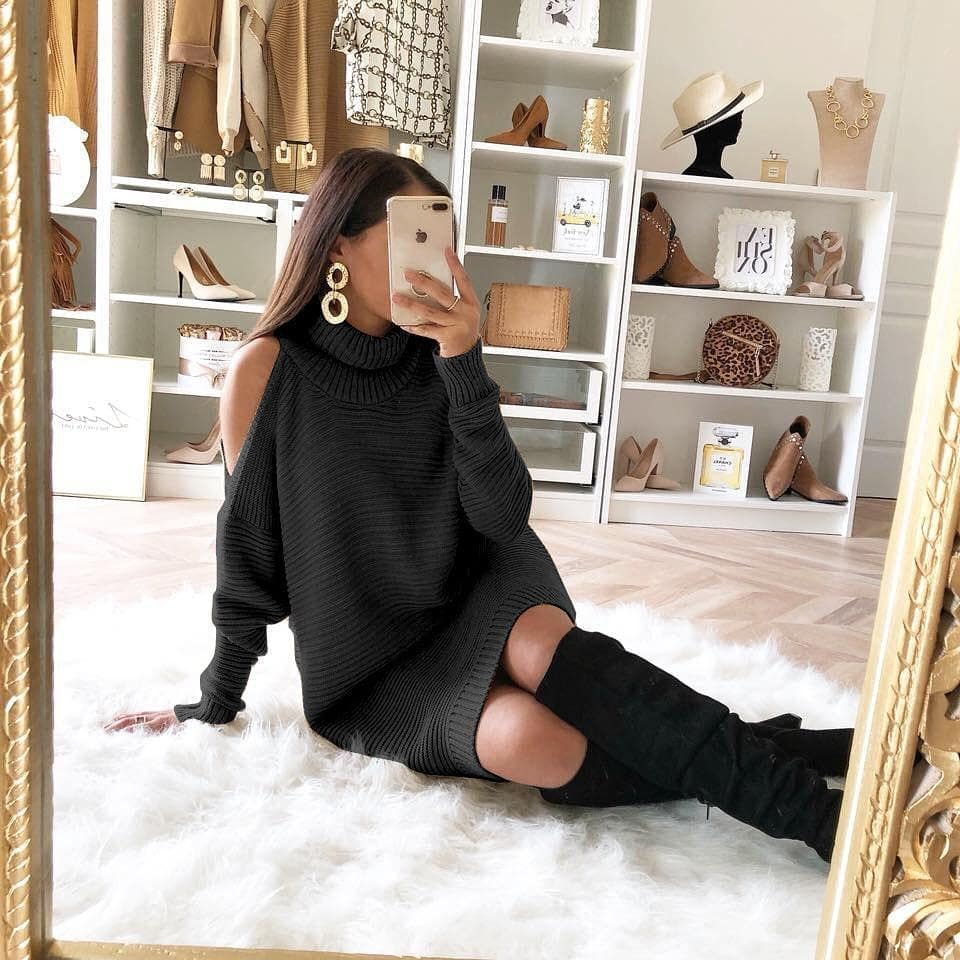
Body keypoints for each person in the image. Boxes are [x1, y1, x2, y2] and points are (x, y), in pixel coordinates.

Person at [105, 146, 853, 864]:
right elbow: (248, 557)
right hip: (370, 663)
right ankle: (766, 748)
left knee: (538, 648)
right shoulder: (266, 373)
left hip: (481, 585)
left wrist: (464, 362)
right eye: (410, 239)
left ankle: (819, 820)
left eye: (443, 243)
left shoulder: (443, 352)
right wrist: (216, 698)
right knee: (531, 742)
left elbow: (501, 518)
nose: (433, 262)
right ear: (337, 245)